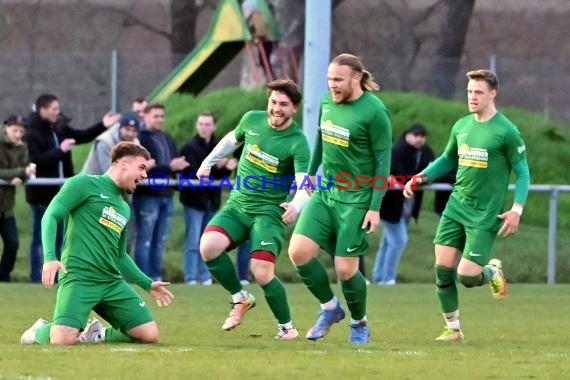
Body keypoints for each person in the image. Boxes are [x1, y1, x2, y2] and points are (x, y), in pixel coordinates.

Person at [403, 69, 531, 341]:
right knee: (442, 269)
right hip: (456, 207)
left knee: (468, 277)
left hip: (485, 214)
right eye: (470, 92)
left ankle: (490, 271)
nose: (472, 97)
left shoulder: (506, 131)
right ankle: (453, 329)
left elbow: (523, 172)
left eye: (479, 92)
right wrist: (421, 176)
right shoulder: (461, 125)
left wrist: (517, 209)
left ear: (493, 94)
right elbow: (448, 159)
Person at [20, 142, 174, 345]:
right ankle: (39, 331)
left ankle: (96, 335)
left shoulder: (124, 207)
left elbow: (119, 256)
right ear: (124, 164)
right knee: (62, 340)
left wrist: (148, 283)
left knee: (149, 334)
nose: (145, 175)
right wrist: (50, 258)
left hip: (111, 281)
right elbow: (50, 215)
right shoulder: (83, 184)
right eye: (142, 167)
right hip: (79, 277)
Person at [288, 54, 392, 344]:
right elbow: (321, 139)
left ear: (356, 78)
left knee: (346, 269)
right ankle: (330, 308)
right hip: (326, 192)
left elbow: (383, 162)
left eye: (338, 80)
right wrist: (309, 174)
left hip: (357, 198)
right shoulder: (326, 102)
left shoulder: (374, 112)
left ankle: (359, 322)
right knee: (298, 253)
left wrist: (374, 207)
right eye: (329, 79)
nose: (332, 85)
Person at [196, 79, 310, 339]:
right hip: (237, 206)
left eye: (283, 104)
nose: (276, 109)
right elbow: (229, 141)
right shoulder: (252, 120)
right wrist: (207, 163)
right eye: (273, 102)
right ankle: (240, 298)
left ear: (294, 108)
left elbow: (306, 184)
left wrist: (296, 205)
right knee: (208, 247)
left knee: (261, 272)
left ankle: (287, 328)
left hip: (268, 213)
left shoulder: (298, 142)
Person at [25, 94, 120, 283]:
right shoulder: (32, 133)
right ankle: (39, 276)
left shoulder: (59, 128)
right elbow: (36, 161)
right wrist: (60, 151)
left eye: (58, 108)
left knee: (63, 237)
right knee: (42, 235)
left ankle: (60, 275)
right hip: (42, 194)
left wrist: (102, 124)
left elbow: (82, 136)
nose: (57, 112)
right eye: (53, 109)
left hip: (62, 193)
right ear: (42, 109)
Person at [179, 111, 237, 285]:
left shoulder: (217, 146)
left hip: (211, 202)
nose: (204, 128)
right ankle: (190, 277)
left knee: (208, 242)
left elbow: (218, 176)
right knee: (192, 240)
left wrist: (227, 168)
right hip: (194, 202)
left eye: (207, 124)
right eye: (201, 124)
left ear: (214, 126)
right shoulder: (190, 147)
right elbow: (196, 172)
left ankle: (205, 277)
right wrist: (216, 165)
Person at [373, 123, 434, 285]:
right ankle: (388, 278)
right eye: (416, 135)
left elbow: (431, 171)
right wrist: (418, 179)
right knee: (399, 240)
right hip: (390, 205)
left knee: (389, 241)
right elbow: (399, 174)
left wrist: (421, 179)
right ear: (407, 135)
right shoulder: (396, 152)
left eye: (422, 135)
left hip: (408, 205)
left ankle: (380, 276)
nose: (419, 139)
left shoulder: (426, 152)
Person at [133, 103, 189, 280]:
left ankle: (155, 277)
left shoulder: (167, 137)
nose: (159, 119)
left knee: (160, 241)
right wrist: (169, 166)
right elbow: (143, 167)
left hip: (167, 196)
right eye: (156, 116)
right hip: (147, 195)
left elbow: (172, 161)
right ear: (145, 116)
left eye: (162, 116)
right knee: (145, 239)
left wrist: (177, 166)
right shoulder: (140, 139)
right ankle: (142, 277)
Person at [0, 116, 36, 282]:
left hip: (6, 207)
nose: (18, 134)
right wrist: (18, 173)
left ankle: (3, 276)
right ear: (5, 128)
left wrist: (25, 174)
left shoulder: (22, 147)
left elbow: (26, 172)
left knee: (13, 243)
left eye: (21, 131)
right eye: (15, 130)